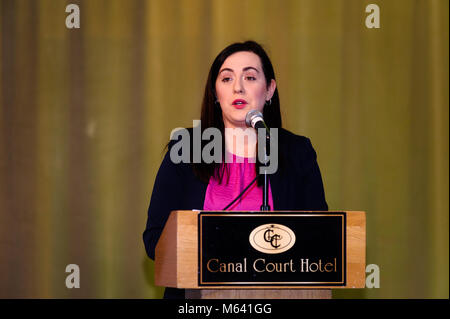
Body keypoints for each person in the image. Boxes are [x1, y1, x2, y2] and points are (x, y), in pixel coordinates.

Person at [142, 41, 328, 299]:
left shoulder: (297, 152)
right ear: (215, 94)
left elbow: (321, 238)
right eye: (227, 78)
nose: (238, 87)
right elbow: (154, 241)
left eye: (250, 77)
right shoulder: (186, 150)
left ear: (269, 89)